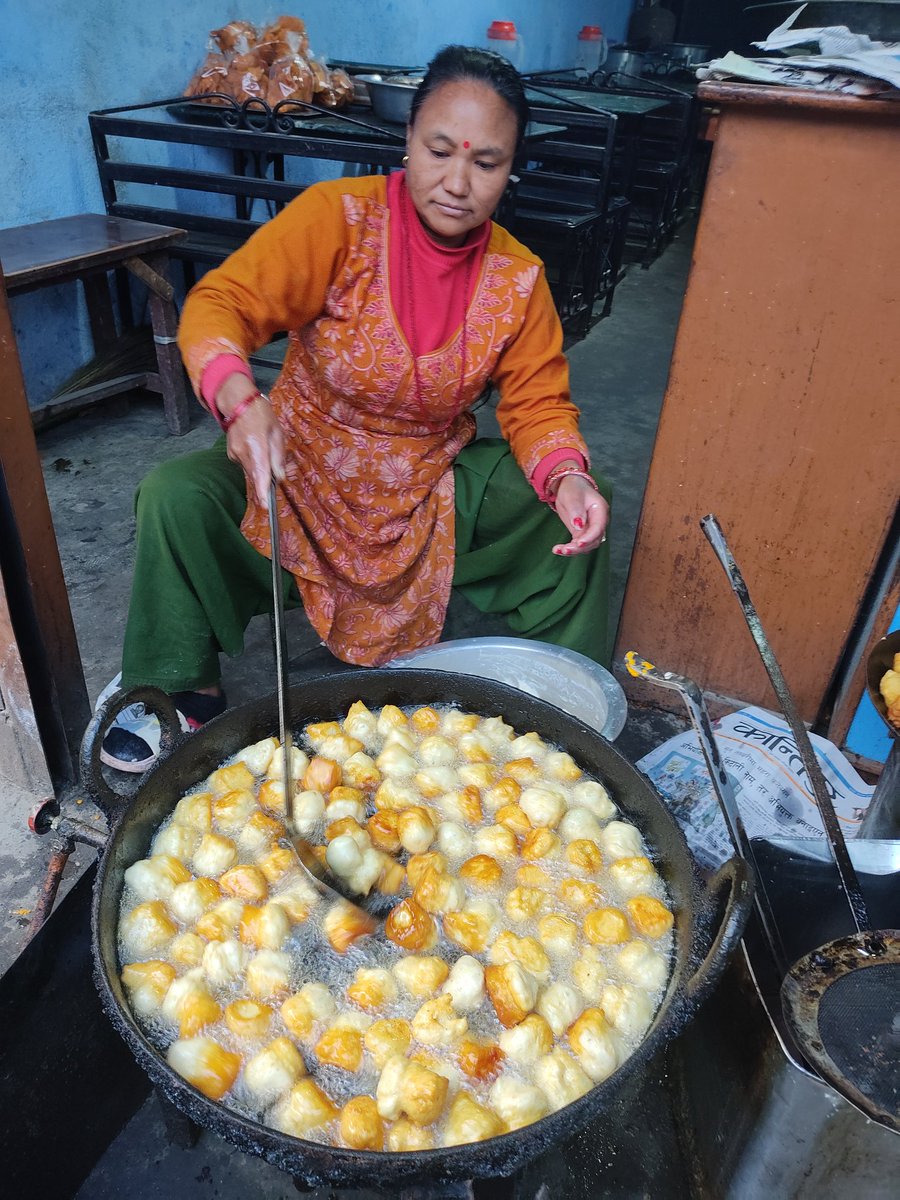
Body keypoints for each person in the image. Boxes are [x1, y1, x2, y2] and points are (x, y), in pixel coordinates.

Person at [100, 45, 611, 772]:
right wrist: (239, 399)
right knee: (176, 497)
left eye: (487, 163)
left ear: (511, 167)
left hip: (425, 479)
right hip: (299, 463)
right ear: (407, 141)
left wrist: (567, 476)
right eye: (440, 151)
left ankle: (564, 706)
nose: (458, 183)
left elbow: (537, 403)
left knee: (577, 510)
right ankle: (180, 690)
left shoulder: (519, 279)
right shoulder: (337, 221)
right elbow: (222, 302)